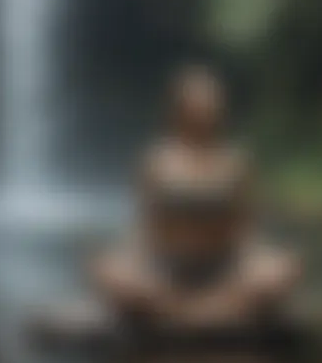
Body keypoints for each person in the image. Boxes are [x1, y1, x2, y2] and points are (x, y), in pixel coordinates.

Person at [93, 65, 300, 329]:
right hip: (166, 268)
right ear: (178, 109)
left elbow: (245, 226)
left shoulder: (235, 162)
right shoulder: (157, 160)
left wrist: (256, 257)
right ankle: (211, 310)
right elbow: (145, 222)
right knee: (107, 269)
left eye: (211, 104)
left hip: (223, 267)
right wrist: (132, 257)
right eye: (197, 105)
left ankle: (182, 310)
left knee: (283, 269)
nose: (205, 112)